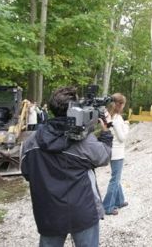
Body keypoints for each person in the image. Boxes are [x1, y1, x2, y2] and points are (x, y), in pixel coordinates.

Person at [21, 87, 113, 247]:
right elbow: (104, 156)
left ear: (51, 109)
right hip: (82, 212)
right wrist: (105, 133)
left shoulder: (31, 141)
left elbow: (27, 173)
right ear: (76, 110)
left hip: (48, 213)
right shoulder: (84, 141)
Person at [102, 93, 129, 216]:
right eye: (123, 104)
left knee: (116, 177)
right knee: (115, 179)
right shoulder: (117, 119)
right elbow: (122, 138)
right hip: (117, 153)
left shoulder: (109, 115)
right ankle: (107, 206)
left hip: (112, 151)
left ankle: (120, 200)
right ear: (120, 104)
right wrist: (127, 126)